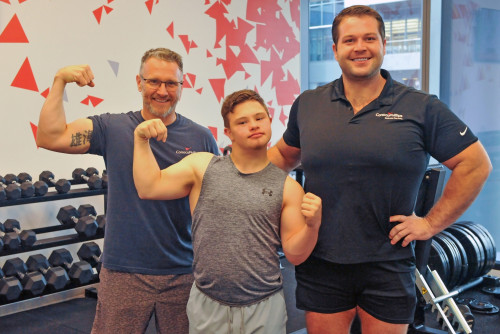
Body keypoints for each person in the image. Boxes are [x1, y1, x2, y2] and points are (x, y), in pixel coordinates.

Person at [267, 5, 492, 334]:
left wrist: (430, 224)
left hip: (387, 262)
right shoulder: (309, 103)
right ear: (335, 49)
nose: (360, 47)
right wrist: (229, 173)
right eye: (350, 40)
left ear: (384, 44)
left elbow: (474, 164)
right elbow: (283, 156)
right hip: (322, 260)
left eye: (369, 38)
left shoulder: (421, 106)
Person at [36, 48, 219, 333]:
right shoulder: (113, 127)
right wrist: (59, 80)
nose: (162, 90)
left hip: (185, 273)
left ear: (182, 87)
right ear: (139, 82)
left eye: (171, 83)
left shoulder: (201, 137)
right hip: (124, 272)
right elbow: (49, 136)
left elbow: (216, 204)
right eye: (154, 81)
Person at [133, 89, 322, 333]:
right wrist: (140, 140)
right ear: (228, 133)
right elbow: (148, 187)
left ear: (269, 120)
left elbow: (295, 255)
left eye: (259, 118)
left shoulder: (288, 188)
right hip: (208, 303)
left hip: (264, 305)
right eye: (242, 122)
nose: (253, 125)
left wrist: (312, 226)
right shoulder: (201, 168)